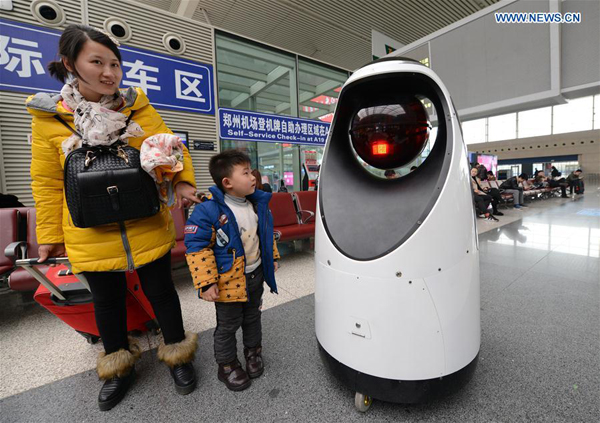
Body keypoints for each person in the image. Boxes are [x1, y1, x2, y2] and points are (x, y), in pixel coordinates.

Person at [27, 25, 200, 411]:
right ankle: (119, 366)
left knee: (162, 291)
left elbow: (168, 146)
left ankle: (178, 354)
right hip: (89, 226)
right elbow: (48, 182)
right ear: (71, 64)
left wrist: (184, 181)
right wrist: (50, 236)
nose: (109, 72)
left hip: (145, 218)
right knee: (106, 300)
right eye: (97, 62)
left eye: (115, 64)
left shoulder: (136, 105)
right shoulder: (50, 117)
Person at [184, 150, 280, 392]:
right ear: (227, 183)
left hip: (255, 275)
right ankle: (226, 365)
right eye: (245, 173)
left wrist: (273, 258)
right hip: (228, 281)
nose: (252, 178)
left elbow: (266, 234)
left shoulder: (256, 204)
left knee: (253, 317)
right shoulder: (208, 211)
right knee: (227, 325)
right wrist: (206, 282)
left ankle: (253, 354)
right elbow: (197, 247)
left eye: (251, 171)